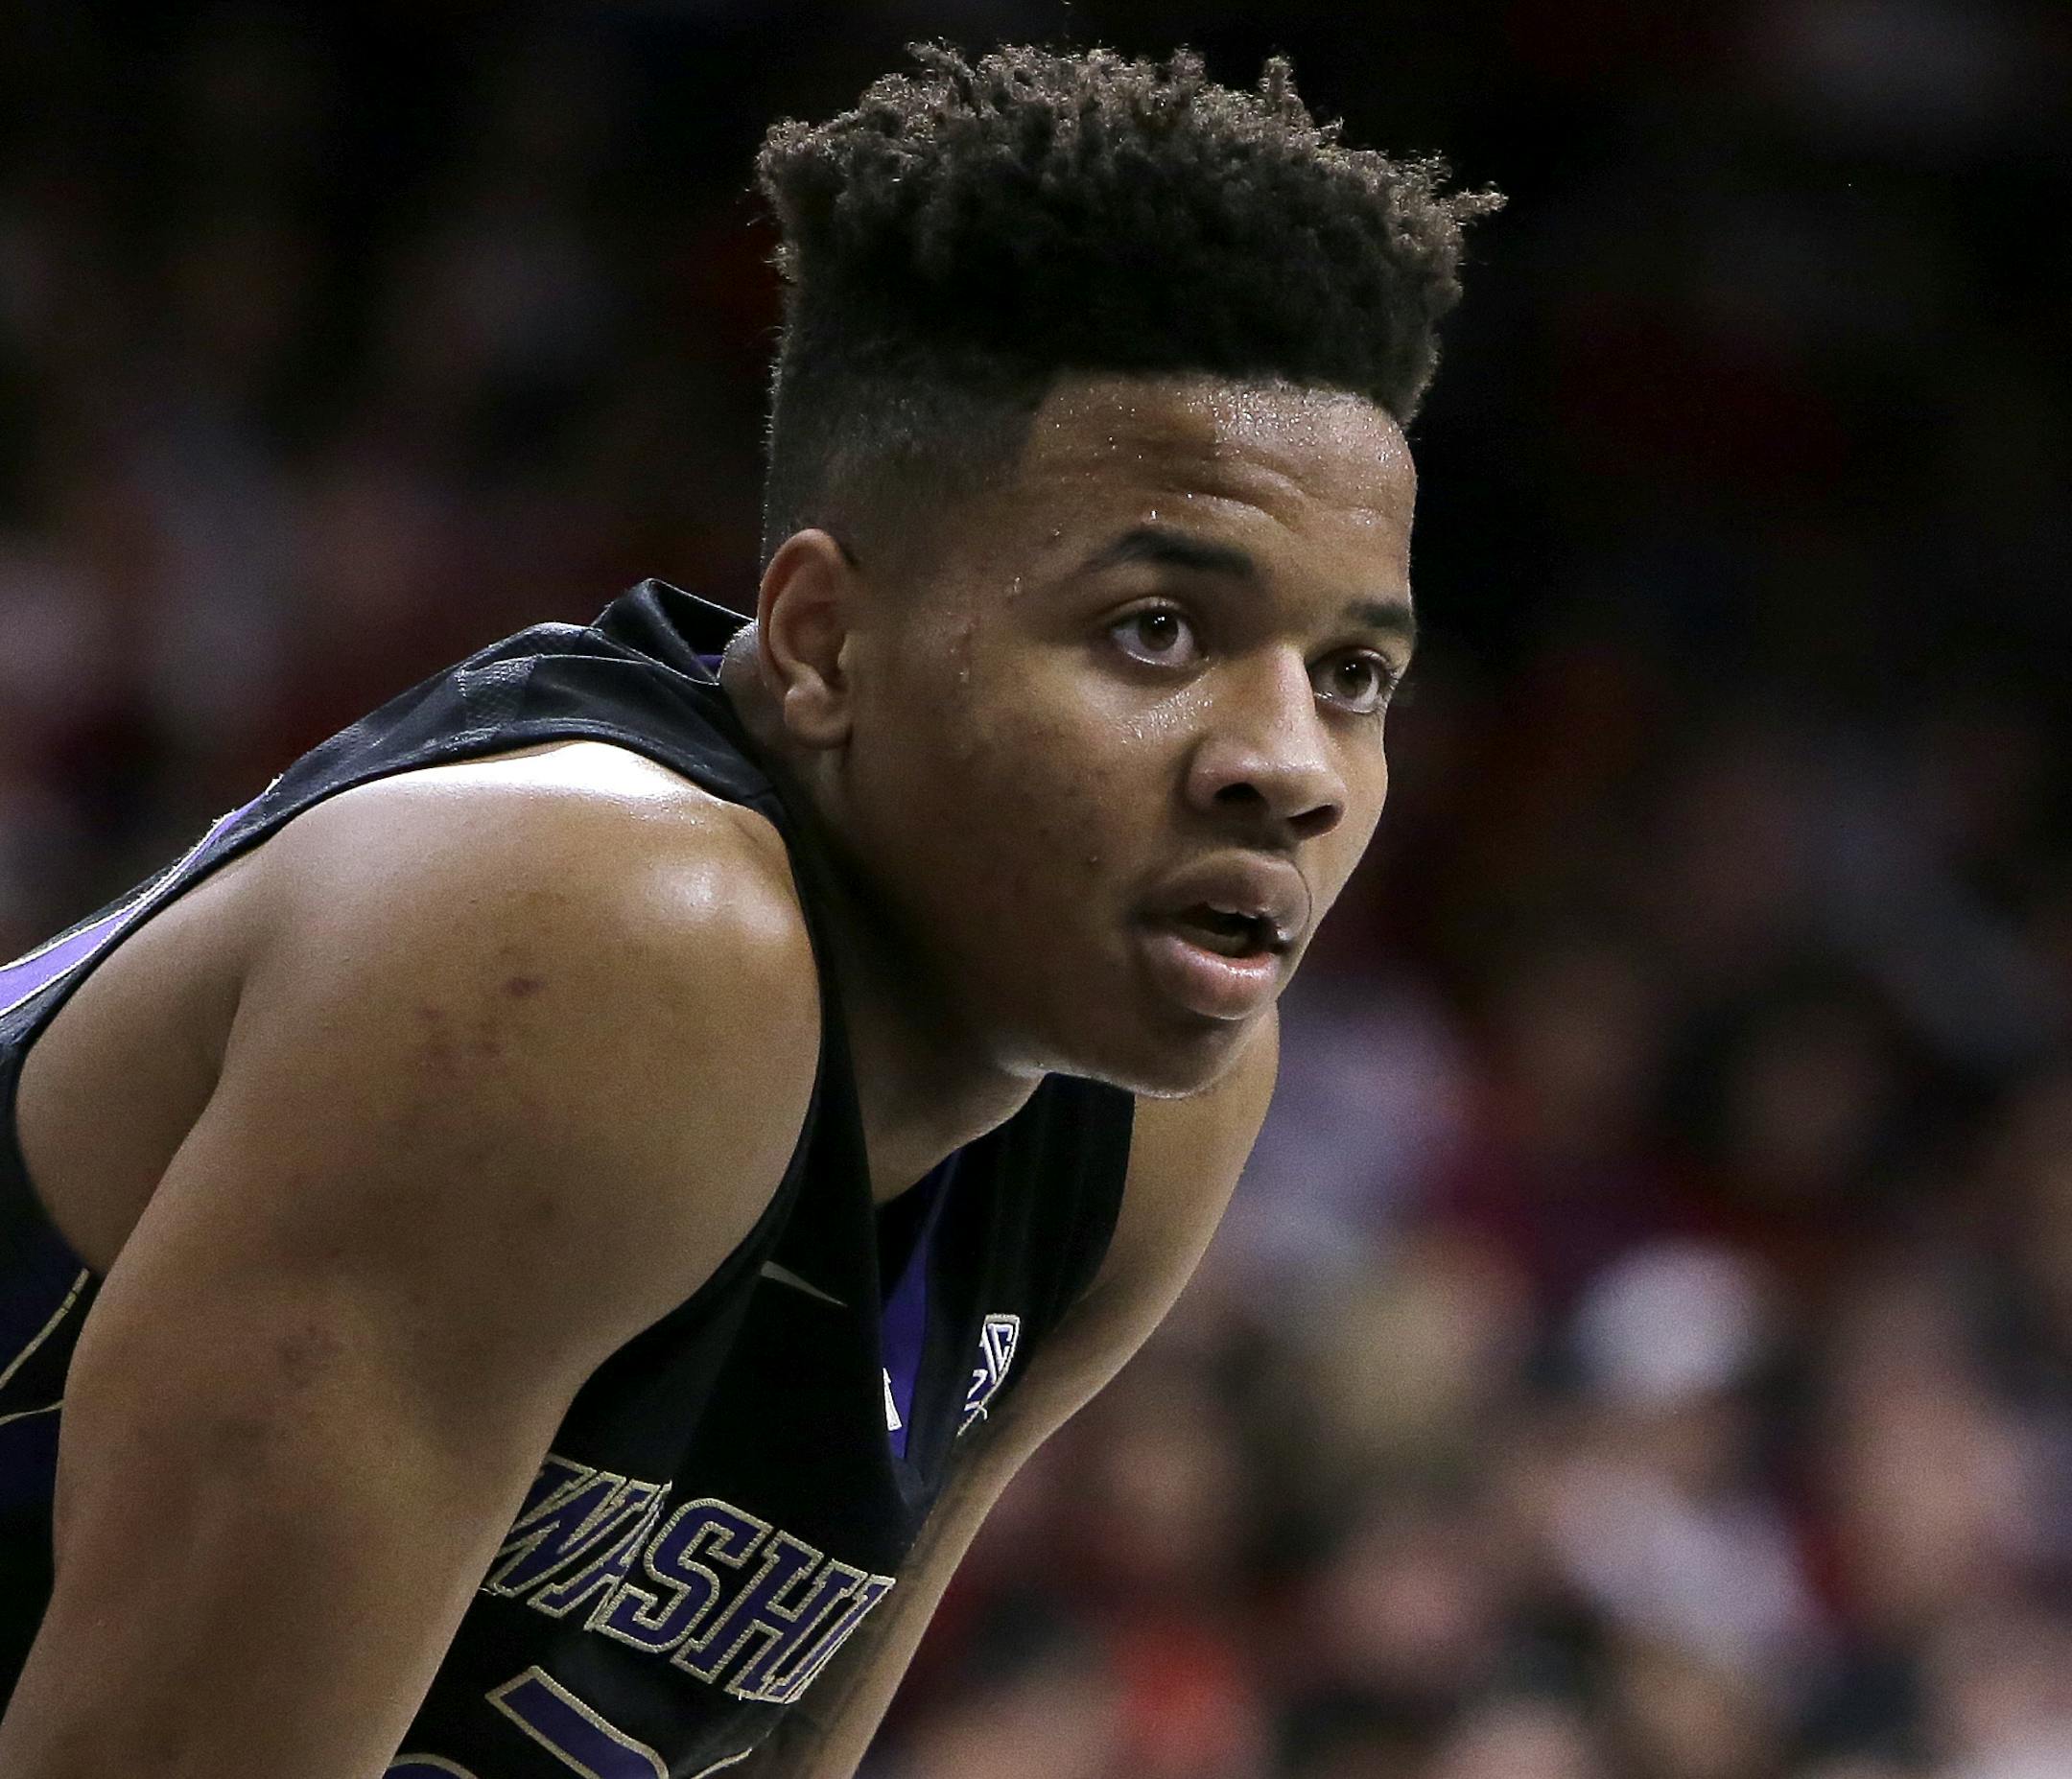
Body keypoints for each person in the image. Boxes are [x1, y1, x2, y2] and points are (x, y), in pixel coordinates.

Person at [0, 42, 1496, 1779]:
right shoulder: (604, 937)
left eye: (1354, 674)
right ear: (820, 644)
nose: (1289, 767)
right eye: (1155, 632)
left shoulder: (1135, 1105)